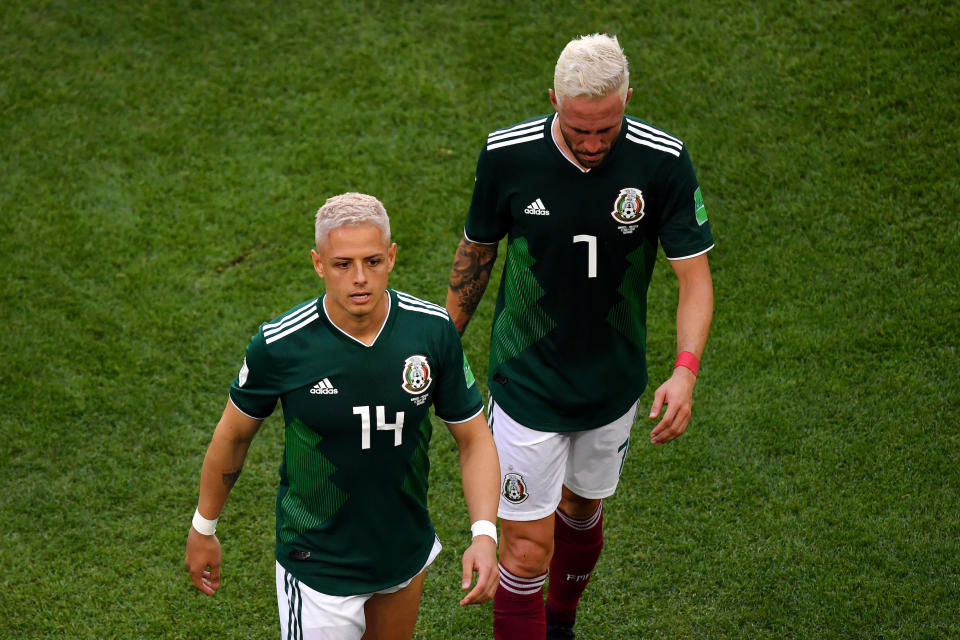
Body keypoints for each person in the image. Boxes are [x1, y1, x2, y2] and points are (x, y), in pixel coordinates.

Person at [445, 34, 715, 640]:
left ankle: (560, 624)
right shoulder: (507, 156)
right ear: (553, 102)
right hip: (527, 382)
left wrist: (686, 369)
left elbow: (694, 278)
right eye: (578, 130)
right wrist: (442, 346)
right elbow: (476, 257)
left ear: (626, 100)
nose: (593, 145)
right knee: (524, 550)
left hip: (612, 385)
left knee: (582, 511)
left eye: (606, 129)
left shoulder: (663, 161)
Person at [185, 192, 500, 640]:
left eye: (372, 261)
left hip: (401, 552)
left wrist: (485, 533)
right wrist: (204, 527)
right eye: (342, 264)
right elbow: (234, 437)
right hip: (317, 566)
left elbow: (474, 438)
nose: (359, 278)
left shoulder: (432, 331)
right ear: (318, 264)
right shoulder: (281, 345)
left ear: (391, 257)